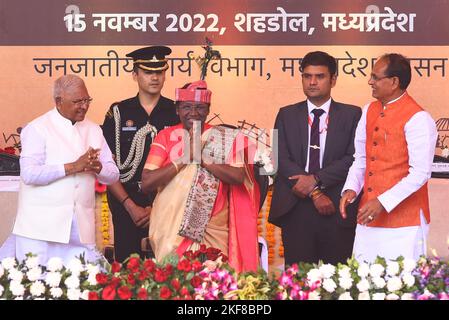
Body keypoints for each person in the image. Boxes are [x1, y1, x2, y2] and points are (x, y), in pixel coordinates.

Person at [141, 80, 260, 273]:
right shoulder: (165, 136)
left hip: (213, 226)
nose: (194, 113)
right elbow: (147, 182)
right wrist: (183, 159)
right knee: (174, 284)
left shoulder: (227, 137)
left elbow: (238, 176)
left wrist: (202, 159)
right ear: (177, 109)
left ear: (208, 109)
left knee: (214, 283)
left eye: (200, 108)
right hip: (172, 228)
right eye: (187, 107)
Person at [340, 53, 438, 263]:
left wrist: (382, 202)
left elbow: (421, 173)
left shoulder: (419, 118)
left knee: (400, 288)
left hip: (405, 223)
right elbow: (361, 159)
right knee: (363, 284)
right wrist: (351, 189)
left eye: (376, 77)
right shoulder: (368, 111)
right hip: (368, 217)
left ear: (394, 82)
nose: (370, 82)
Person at [13, 74, 119, 265]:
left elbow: (112, 175)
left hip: (81, 230)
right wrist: (73, 167)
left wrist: (98, 168)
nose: (84, 106)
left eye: (87, 100)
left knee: (83, 289)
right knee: (37, 289)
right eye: (78, 101)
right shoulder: (37, 128)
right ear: (59, 101)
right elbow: (29, 174)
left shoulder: (94, 129)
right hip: (40, 231)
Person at [269, 51, 362, 266]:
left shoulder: (352, 114)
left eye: (319, 76)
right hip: (297, 208)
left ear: (333, 80)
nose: (312, 82)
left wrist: (317, 179)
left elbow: (354, 157)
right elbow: (279, 156)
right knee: (299, 281)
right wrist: (315, 192)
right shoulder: (286, 114)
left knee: (339, 282)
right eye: (306, 76)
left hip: (337, 207)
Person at [102, 46, 179, 262]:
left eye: (160, 72)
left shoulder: (176, 112)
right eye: (147, 72)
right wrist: (131, 206)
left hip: (167, 202)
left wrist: (156, 207)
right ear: (135, 75)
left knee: (168, 267)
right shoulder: (118, 113)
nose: (155, 77)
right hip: (127, 203)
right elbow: (108, 166)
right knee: (129, 269)